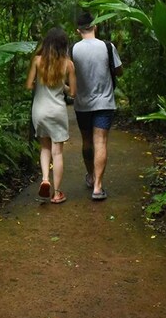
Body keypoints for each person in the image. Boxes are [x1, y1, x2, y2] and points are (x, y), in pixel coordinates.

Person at [71, 11, 123, 200]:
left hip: (82, 103)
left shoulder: (73, 50)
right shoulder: (108, 47)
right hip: (105, 103)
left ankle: (91, 176)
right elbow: (119, 71)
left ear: (78, 30)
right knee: (100, 141)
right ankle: (98, 188)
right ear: (96, 26)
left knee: (86, 141)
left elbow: (70, 76)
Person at [26, 27, 77, 204]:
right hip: (57, 112)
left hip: (39, 111)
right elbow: (73, 93)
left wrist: (41, 83)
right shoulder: (68, 64)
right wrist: (61, 86)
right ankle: (57, 193)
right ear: (64, 45)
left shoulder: (37, 61)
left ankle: (45, 179)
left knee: (45, 148)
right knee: (58, 152)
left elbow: (29, 86)